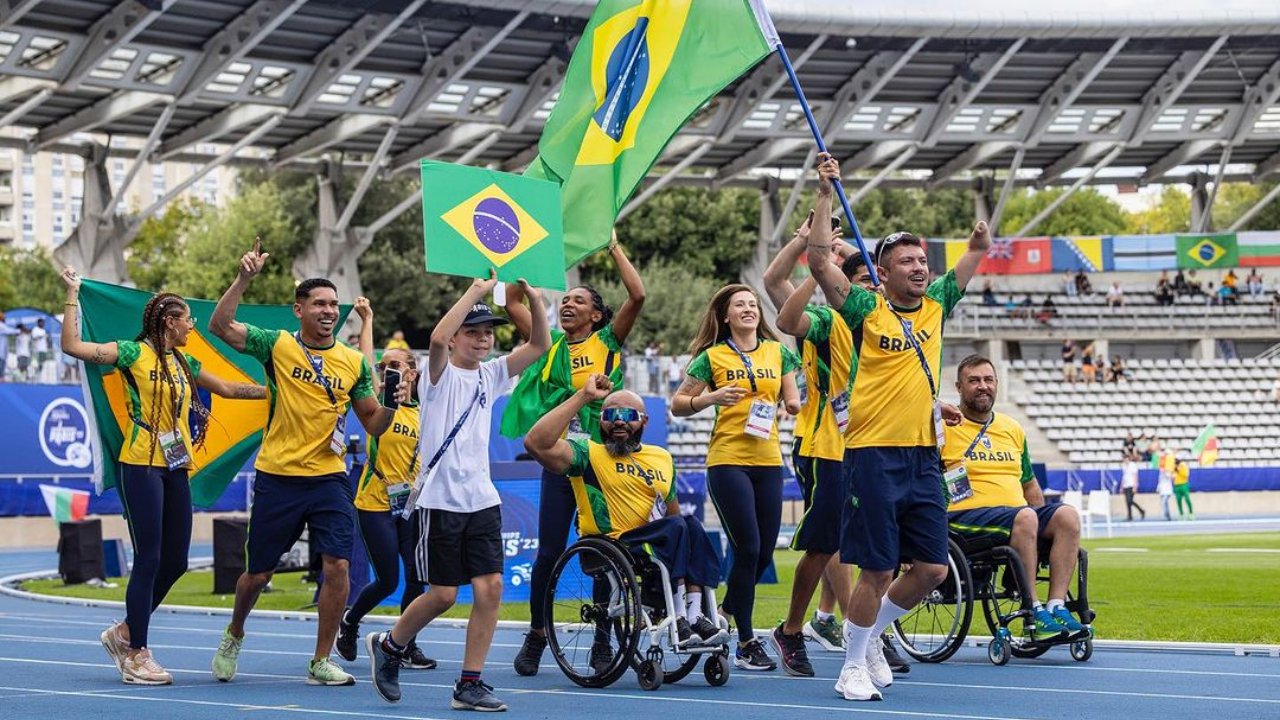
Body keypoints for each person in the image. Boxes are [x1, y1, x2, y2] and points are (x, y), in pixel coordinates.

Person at [807, 150, 990, 702]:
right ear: (882, 273)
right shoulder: (866, 310)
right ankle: (851, 667)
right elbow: (820, 265)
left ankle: (865, 643)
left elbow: (968, 261)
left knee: (934, 570)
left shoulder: (936, 304)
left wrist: (978, 245)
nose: (919, 267)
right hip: (873, 455)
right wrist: (824, 194)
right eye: (906, 261)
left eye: (922, 260)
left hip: (923, 457)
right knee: (879, 570)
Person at [59, 267, 267, 685]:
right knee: (150, 558)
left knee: (177, 561)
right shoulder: (133, 353)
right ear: (170, 322)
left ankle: (124, 632)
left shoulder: (186, 361)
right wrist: (71, 295)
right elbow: (73, 346)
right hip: (139, 462)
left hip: (176, 465)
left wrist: (274, 392)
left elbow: (227, 388)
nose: (193, 325)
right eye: (188, 319)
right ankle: (137, 654)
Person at [207, 239, 400, 687]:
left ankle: (320, 659)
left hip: (329, 478)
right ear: (299, 310)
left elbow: (373, 423)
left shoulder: (353, 362)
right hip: (278, 476)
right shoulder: (275, 345)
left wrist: (393, 404)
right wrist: (244, 279)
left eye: (334, 304)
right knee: (257, 576)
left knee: (339, 567)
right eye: (319, 303)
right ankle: (235, 631)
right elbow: (219, 326)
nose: (329, 310)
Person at [368, 274, 549, 712]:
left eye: (487, 332)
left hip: (482, 500)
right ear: (456, 340)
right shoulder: (437, 375)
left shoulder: (492, 375)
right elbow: (434, 338)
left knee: (490, 589)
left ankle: (470, 683)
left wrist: (537, 301)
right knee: (444, 594)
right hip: (439, 501)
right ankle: (390, 647)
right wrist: (476, 291)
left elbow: (540, 345)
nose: (483, 339)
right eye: (473, 332)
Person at [767, 159, 908, 677]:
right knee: (826, 543)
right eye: (861, 279)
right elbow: (779, 296)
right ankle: (796, 629)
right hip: (828, 445)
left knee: (874, 548)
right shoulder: (829, 320)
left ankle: (850, 625)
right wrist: (815, 237)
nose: (871, 287)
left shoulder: (894, 324)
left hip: (881, 445)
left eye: (876, 279)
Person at [504, 233, 646, 677]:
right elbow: (511, 304)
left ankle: (603, 639)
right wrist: (517, 258)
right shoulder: (546, 344)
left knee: (603, 552)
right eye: (564, 299)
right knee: (548, 553)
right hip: (560, 458)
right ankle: (536, 635)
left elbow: (638, 294)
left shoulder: (607, 341)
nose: (567, 305)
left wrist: (613, 247)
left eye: (578, 301)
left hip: (603, 462)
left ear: (597, 315)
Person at [523, 374, 728, 651]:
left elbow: (672, 514)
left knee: (690, 525)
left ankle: (694, 614)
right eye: (611, 414)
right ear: (600, 421)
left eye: (628, 414)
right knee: (681, 527)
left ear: (644, 420)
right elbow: (535, 442)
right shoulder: (587, 453)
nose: (619, 421)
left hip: (653, 541)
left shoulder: (662, 457)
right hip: (614, 542)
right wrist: (584, 396)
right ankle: (679, 616)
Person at [671, 282, 801, 672]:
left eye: (752, 304)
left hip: (768, 460)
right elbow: (678, 405)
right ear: (725, 316)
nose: (748, 309)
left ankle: (725, 608)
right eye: (739, 305)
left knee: (762, 553)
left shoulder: (778, 353)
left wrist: (795, 405)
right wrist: (709, 398)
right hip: (728, 460)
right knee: (747, 547)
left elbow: (791, 396)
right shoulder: (710, 357)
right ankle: (746, 640)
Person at [943, 355, 1086, 643]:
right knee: (1026, 516)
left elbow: (1029, 484)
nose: (982, 386)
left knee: (1067, 516)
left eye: (988, 380)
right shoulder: (943, 426)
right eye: (974, 381)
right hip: (963, 521)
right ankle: (1031, 608)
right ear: (959, 387)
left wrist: (1041, 531)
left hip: (1017, 518)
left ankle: (1055, 605)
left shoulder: (1012, 428)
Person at [333, 298, 435, 671]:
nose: (391, 371)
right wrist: (368, 319)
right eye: (385, 366)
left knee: (417, 577)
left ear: (413, 372)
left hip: (411, 505)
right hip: (375, 503)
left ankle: (404, 643)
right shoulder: (378, 404)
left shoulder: (425, 411)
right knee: (388, 580)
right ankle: (349, 621)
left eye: (398, 366)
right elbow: (364, 359)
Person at [1120, 454, 1145, 521]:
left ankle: (1141, 510)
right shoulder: (1124, 466)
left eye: (1126, 459)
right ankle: (1130, 515)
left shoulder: (1132, 465)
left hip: (1131, 484)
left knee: (1130, 500)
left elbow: (1135, 476)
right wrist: (1121, 486)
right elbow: (1124, 476)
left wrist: (1135, 486)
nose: (1125, 460)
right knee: (1128, 502)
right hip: (1126, 485)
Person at [1173, 455, 1194, 520]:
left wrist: (1179, 470)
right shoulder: (1173, 466)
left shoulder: (1183, 466)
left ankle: (1191, 513)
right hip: (1176, 485)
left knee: (1187, 499)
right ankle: (1181, 514)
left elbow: (1186, 475)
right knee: (1178, 500)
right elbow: (1172, 475)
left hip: (1184, 484)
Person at [0, 313, 16, 383]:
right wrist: (20, 330)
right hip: (0, 351)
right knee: (1, 365)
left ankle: (1, 378)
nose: (5, 319)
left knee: (2, 365)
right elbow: (10, 331)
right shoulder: (1, 325)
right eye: (4, 317)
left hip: (2, 351)